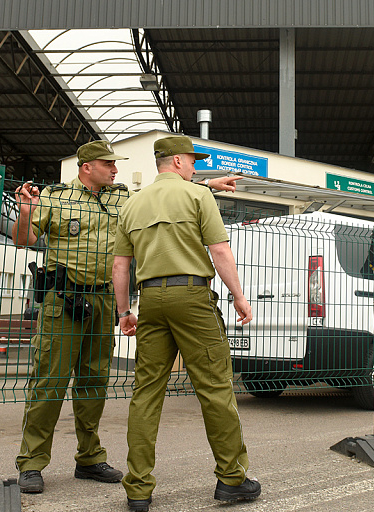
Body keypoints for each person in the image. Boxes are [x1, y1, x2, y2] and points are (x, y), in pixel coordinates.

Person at [12, 139, 240, 494]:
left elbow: (164, 195)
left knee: (94, 382)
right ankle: (32, 461)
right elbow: (24, 239)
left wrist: (207, 185)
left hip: (102, 300)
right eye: (108, 163)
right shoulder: (55, 198)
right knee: (50, 382)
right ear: (87, 166)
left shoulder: (123, 199)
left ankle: (88, 457)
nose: (115, 169)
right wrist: (26, 212)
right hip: (63, 300)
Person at [112, 135, 260, 512]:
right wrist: (239, 297)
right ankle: (232, 479)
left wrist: (124, 310)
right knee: (214, 388)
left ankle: (138, 489)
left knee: (146, 394)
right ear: (177, 161)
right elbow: (220, 250)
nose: (195, 166)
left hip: (150, 301)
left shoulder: (132, 205)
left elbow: (119, 266)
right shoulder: (198, 197)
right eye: (193, 160)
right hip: (192, 297)